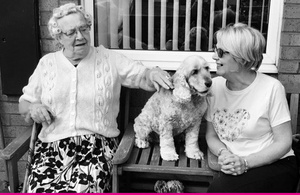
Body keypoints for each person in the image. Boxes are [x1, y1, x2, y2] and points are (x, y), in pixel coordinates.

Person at [18, 3, 173, 193]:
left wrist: (153, 74)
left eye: (84, 29)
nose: (80, 37)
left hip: (96, 149)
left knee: (84, 189)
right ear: (58, 37)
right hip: (51, 150)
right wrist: (33, 107)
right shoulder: (47, 64)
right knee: (37, 189)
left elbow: (141, 75)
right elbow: (24, 103)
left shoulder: (108, 59)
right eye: (71, 32)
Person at [205, 23, 299, 192]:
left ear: (240, 57)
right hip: (234, 167)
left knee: (219, 190)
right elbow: (211, 135)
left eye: (220, 52)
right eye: (215, 49)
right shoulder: (214, 88)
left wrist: (245, 162)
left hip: (274, 164)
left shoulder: (271, 88)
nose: (214, 57)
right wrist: (223, 153)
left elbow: (283, 142)